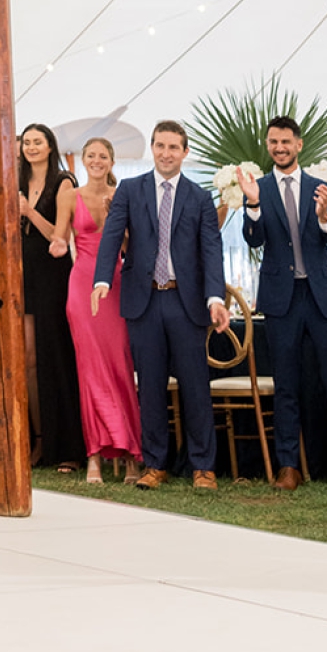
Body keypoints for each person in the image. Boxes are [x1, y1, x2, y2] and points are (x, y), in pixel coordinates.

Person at [239, 115, 327, 493]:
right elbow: (253, 239)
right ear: (268, 146)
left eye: (285, 141)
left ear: (298, 144)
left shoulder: (322, 187)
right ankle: (287, 467)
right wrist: (252, 206)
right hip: (281, 299)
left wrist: (322, 217)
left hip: (322, 298)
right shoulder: (259, 188)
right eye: (273, 142)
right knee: (286, 386)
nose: (279, 147)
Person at [92, 118, 229, 492]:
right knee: (150, 387)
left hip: (186, 304)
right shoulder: (130, 190)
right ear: (152, 149)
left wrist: (215, 296)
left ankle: (203, 466)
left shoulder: (199, 197)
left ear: (185, 153)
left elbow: (211, 250)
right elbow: (111, 237)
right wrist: (103, 279)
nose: (166, 153)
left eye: (173, 147)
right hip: (144, 301)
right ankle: (155, 463)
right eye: (160, 146)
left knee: (195, 386)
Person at [57, 137, 141, 482]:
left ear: (111, 161)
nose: (95, 160)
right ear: (83, 160)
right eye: (90, 155)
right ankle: (93, 454)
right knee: (89, 370)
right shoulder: (68, 196)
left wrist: (112, 217)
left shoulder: (124, 194)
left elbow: (130, 246)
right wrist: (53, 239)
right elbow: (59, 236)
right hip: (81, 285)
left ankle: (131, 453)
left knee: (121, 367)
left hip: (117, 283)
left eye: (102, 156)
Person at [19, 122, 85, 470]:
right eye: (26, 142)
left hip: (53, 274)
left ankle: (67, 446)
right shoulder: (15, 181)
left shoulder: (64, 182)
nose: (31, 147)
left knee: (55, 355)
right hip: (22, 274)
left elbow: (58, 238)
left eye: (37, 142)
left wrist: (29, 212)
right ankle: (37, 438)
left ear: (50, 147)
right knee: (28, 358)